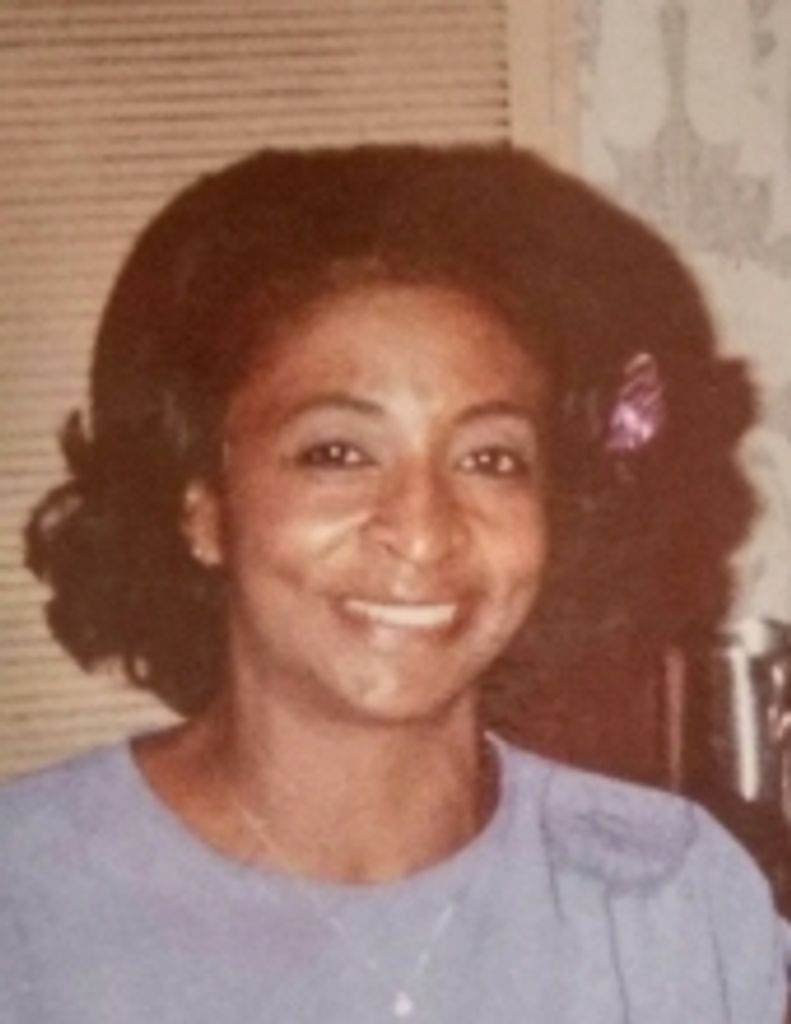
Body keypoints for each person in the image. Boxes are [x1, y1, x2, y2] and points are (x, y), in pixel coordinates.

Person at [1, 145, 787, 1022]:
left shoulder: (669, 899)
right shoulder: (26, 899)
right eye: (338, 452)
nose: (421, 530)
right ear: (204, 510)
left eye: (490, 459)